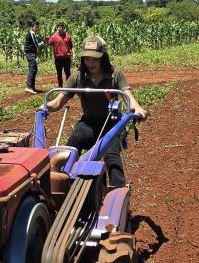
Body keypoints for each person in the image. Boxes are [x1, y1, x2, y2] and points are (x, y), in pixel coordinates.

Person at [45, 36, 147, 187]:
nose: (90, 63)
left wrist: (138, 109)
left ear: (103, 58)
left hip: (112, 123)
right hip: (88, 122)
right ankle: (63, 184)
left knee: (111, 155)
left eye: (94, 59)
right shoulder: (78, 76)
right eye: (87, 59)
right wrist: (45, 107)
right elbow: (58, 102)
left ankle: (117, 193)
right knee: (71, 145)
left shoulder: (115, 74)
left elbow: (129, 99)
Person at [46, 22, 73, 87]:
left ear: (64, 28)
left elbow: (71, 45)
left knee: (68, 72)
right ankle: (60, 86)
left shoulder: (68, 36)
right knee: (59, 73)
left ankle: (68, 86)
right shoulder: (53, 36)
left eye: (62, 27)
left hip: (67, 57)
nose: (61, 28)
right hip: (58, 58)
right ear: (57, 28)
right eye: (59, 27)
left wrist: (73, 53)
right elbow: (49, 44)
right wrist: (47, 40)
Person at [24, 20, 44, 94]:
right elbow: (36, 45)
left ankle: (32, 87)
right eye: (36, 27)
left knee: (34, 69)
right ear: (32, 27)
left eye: (38, 27)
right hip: (30, 53)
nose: (37, 28)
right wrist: (43, 42)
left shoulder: (33, 34)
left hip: (32, 53)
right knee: (32, 69)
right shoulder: (31, 33)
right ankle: (28, 87)